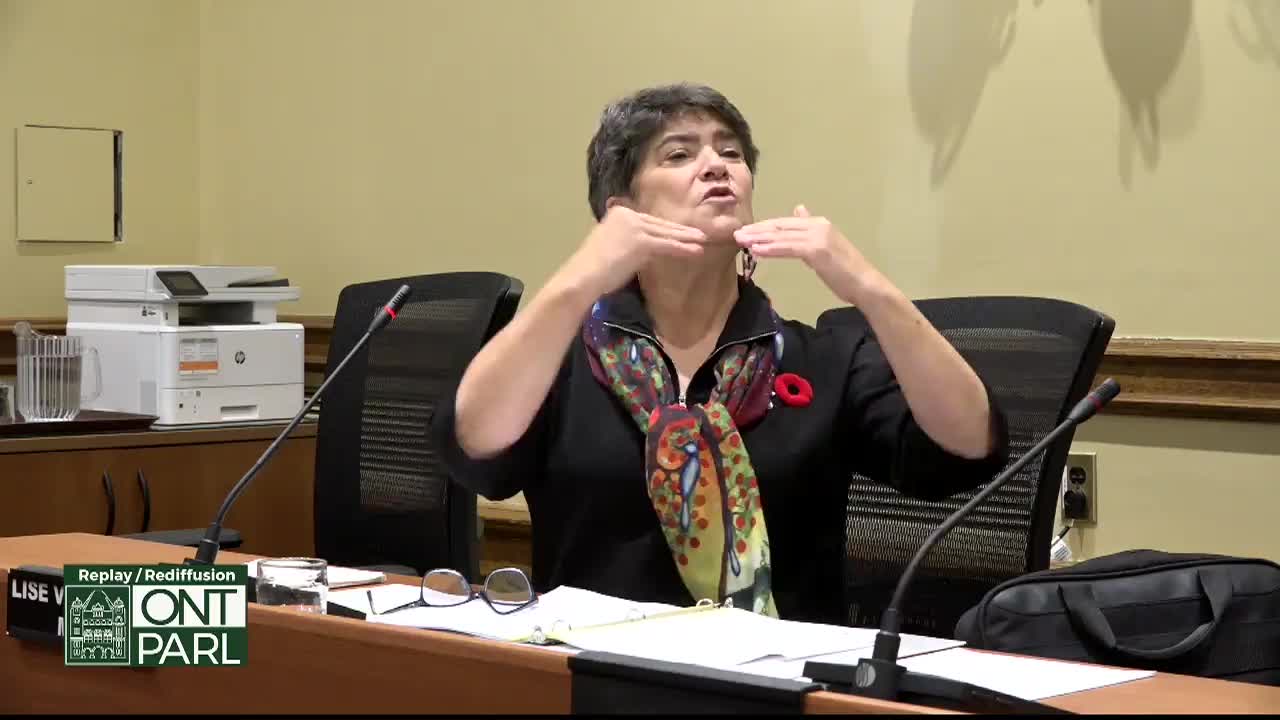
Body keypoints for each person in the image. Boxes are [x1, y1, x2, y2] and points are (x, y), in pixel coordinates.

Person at [431, 83, 1009, 626]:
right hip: (594, 672)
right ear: (619, 211)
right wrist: (576, 282)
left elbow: (967, 447)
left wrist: (870, 289)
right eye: (679, 155)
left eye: (731, 152)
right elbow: (475, 446)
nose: (717, 166)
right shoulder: (564, 357)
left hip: (778, 684)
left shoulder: (817, 356)